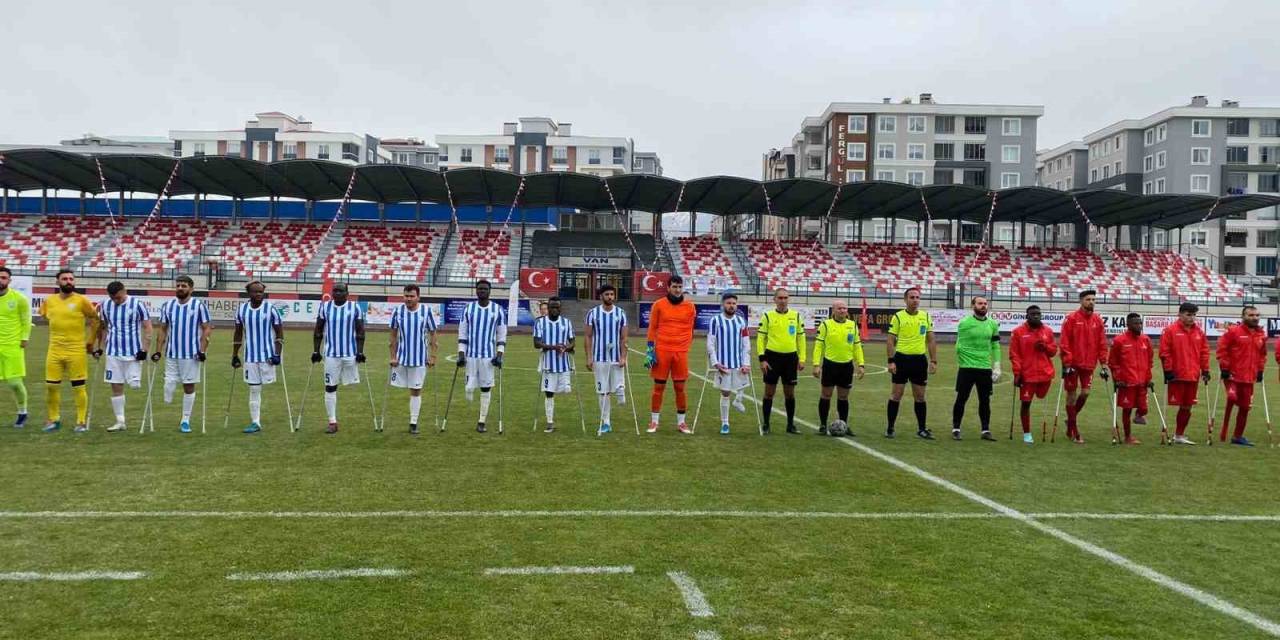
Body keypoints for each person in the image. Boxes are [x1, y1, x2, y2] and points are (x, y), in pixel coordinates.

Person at [40, 270, 99, 432]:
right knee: (51, 386)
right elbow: (46, 317)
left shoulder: (82, 301)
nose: (68, 281)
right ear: (57, 282)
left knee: (78, 387)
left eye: (71, 279)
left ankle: (80, 422)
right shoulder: (49, 301)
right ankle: (53, 419)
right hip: (54, 350)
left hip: (76, 350)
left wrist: (91, 341)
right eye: (64, 279)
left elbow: (95, 319)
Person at [153, 275, 211, 433]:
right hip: (171, 352)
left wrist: (202, 350)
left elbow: (206, 327)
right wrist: (158, 350)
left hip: (191, 354)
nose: (180, 288)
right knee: (169, 384)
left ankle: (185, 419)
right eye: (178, 285)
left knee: (188, 385)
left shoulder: (199, 306)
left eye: (184, 286)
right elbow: (163, 328)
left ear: (191, 289)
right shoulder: (168, 306)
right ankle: (169, 398)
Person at [95, 281, 152, 433]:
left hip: (133, 352)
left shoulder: (137, 304)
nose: (116, 301)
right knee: (115, 385)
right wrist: (100, 347)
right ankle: (120, 421)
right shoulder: (105, 305)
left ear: (124, 291)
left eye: (119, 298)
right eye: (113, 298)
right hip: (113, 351)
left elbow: (147, 326)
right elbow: (104, 327)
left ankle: (139, 417)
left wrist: (145, 349)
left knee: (134, 385)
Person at [311, 283, 366, 435]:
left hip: (350, 353)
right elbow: (318, 330)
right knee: (330, 387)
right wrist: (316, 350)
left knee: (353, 385)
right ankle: (332, 421)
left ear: (347, 293)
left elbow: (360, 331)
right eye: (335, 290)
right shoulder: (325, 307)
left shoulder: (354, 308)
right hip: (331, 354)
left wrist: (360, 352)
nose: (337, 293)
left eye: (341, 291)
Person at [644, 274, 696, 433]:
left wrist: (684, 346)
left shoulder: (690, 307)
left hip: (680, 352)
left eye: (680, 287)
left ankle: (681, 423)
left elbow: (690, 329)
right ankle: (654, 422)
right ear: (668, 288)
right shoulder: (658, 305)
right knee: (658, 387)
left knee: (680, 387)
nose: (677, 290)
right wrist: (650, 352)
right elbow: (652, 329)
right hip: (662, 351)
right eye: (674, 286)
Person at [231, 281, 284, 434]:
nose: (259, 294)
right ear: (249, 293)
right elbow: (238, 333)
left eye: (261, 292)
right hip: (250, 356)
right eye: (255, 292)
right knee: (254, 388)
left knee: (268, 387)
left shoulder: (271, 309)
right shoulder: (242, 310)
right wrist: (235, 355)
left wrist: (277, 354)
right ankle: (256, 422)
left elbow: (279, 333)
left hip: (267, 356)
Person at [886, 287, 937, 439]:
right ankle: (890, 427)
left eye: (917, 297)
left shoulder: (925, 316)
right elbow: (890, 340)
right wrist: (891, 361)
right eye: (912, 297)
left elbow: (931, 339)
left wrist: (933, 360)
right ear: (905, 300)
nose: (915, 300)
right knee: (896, 395)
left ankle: (921, 429)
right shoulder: (898, 317)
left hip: (919, 361)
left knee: (920, 396)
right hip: (902, 359)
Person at [1060, 289, 1110, 444]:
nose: (1091, 302)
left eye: (1094, 300)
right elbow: (1064, 342)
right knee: (1071, 396)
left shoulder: (1098, 320)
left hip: (1089, 364)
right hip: (1073, 364)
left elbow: (1102, 343)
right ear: (1081, 301)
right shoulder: (1071, 318)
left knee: (1086, 393)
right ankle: (1074, 431)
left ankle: (1070, 420)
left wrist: (1104, 364)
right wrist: (1067, 362)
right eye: (1088, 299)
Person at [458, 279, 507, 433]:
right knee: (469, 388)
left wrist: (499, 355)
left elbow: (501, 335)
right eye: (480, 289)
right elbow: (462, 332)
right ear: (476, 290)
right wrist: (461, 354)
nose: (482, 291)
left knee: (486, 388)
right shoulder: (469, 309)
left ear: (489, 291)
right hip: (471, 356)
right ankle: (470, 390)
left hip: (488, 356)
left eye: (485, 289)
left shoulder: (497, 310)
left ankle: (481, 421)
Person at [389, 284, 438, 435]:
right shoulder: (397, 311)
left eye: (411, 296)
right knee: (396, 389)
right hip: (401, 359)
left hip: (419, 359)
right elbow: (393, 336)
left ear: (418, 297)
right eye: (406, 296)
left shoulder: (426, 311)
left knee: (416, 390)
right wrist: (392, 356)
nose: (408, 299)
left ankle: (413, 422)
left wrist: (433, 356)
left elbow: (433, 335)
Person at [1159, 302, 1209, 445]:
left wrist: (1205, 369)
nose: (1191, 318)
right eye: (1188, 315)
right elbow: (1164, 352)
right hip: (1176, 374)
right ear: (1180, 314)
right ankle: (1165, 431)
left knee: (1187, 406)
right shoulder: (1170, 330)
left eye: (1194, 315)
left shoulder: (1199, 332)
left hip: (1193, 375)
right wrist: (1167, 370)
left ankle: (1179, 435)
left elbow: (1204, 352)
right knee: (1173, 404)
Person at [951, 296, 1001, 440]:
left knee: (985, 400)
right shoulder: (965, 323)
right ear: (973, 305)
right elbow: (959, 346)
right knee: (962, 398)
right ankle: (956, 428)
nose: (983, 306)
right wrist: (964, 362)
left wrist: (996, 366)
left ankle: (985, 430)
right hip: (967, 367)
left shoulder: (992, 324)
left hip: (985, 368)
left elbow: (995, 345)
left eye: (985, 304)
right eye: (980, 303)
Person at [812, 299, 865, 436]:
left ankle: (844, 425)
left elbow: (857, 346)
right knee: (826, 395)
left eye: (845, 308)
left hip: (846, 366)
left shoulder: (852, 325)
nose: (843, 310)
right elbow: (818, 346)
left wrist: (861, 364)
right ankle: (823, 425)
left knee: (843, 397)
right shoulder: (826, 325)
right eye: (839, 308)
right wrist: (816, 364)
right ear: (833, 310)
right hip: (830, 365)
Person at [757, 288, 806, 434]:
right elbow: (760, 339)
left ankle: (790, 425)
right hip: (772, 358)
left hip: (790, 359)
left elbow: (801, 339)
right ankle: (766, 424)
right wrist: (762, 359)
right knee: (769, 393)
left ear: (788, 299)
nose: (783, 300)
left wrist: (802, 358)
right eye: (780, 298)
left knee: (789, 393)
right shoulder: (767, 316)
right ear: (775, 300)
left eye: (785, 298)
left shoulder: (796, 316)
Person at [1216, 305, 1266, 446]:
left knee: (1245, 407)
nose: (1254, 318)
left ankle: (1237, 437)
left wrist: (1260, 370)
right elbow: (1222, 349)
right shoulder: (1233, 332)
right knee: (1232, 397)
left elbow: (1262, 355)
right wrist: (1225, 367)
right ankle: (1224, 430)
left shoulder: (1261, 334)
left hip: (1249, 376)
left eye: (1256, 315)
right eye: (1250, 315)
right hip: (1233, 375)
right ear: (1243, 317)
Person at [584, 284, 628, 434]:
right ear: (601, 296)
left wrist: (623, 356)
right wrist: (589, 357)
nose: (610, 297)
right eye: (607, 294)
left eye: (612, 294)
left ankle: (621, 390)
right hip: (599, 357)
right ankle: (606, 422)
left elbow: (624, 338)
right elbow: (588, 336)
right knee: (603, 391)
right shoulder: (592, 313)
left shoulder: (621, 313)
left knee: (620, 394)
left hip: (616, 357)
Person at [1009, 305, 1057, 444]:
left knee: (1041, 396)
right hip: (1027, 375)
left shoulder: (1047, 331)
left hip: (1045, 373)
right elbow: (1014, 354)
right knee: (1026, 403)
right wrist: (1017, 373)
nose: (1036, 316)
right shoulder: (1018, 332)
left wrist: (1045, 347)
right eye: (1033, 314)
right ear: (1027, 316)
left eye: (1038, 314)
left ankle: (1040, 392)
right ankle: (1027, 433)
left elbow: (1053, 351)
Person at [707, 293, 751, 435]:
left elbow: (746, 343)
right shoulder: (716, 320)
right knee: (725, 393)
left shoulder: (741, 321)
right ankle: (725, 422)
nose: (731, 305)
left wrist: (746, 362)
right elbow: (711, 343)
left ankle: (738, 400)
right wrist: (715, 363)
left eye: (734, 303)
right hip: (724, 364)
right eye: (728, 303)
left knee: (743, 385)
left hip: (738, 363)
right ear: (723, 305)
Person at [1108, 313, 1153, 445]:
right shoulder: (1119, 341)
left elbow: (1149, 361)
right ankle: (1128, 436)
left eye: (1140, 323)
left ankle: (1139, 416)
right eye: (1135, 323)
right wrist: (1118, 378)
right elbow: (1113, 362)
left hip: (1142, 382)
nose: (1139, 326)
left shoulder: (1146, 340)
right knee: (1127, 409)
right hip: (1126, 382)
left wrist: (1148, 378)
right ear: (1128, 325)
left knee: (1144, 408)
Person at [533, 297, 575, 433]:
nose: (555, 310)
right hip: (548, 364)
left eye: (557, 307)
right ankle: (550, 422)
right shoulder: (540, 323)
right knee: (549, 393)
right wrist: (553, 347)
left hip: (564, 364)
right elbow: (537, 343)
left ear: (560, 308)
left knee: (566, 391)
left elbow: (572, 341)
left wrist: (567, 348)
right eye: (552, 307)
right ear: (548, 308)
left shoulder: (566, 323)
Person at [0, 267, 32, 427]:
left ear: (9, 281)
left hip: (12, 346)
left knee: (14, 383)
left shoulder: (19, 298)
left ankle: (22, 412)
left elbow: (26, 320)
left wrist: (25, 337)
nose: (1, 280)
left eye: (4, 278)